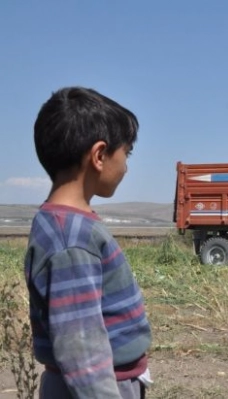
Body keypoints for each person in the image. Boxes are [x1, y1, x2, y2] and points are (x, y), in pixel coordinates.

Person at [24, 87, 153, 398]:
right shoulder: (72, 239)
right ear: (99, 155)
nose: (126, 166)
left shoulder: (64, 223)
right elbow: (81, 350)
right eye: (126, 153)